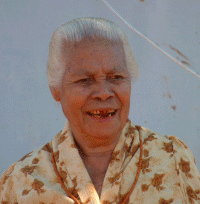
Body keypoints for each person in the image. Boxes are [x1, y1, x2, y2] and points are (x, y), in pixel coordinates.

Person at [0, 17, 200, 204]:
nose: (104, 94)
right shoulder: (21, 180)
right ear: (55, 89)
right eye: (84, 80)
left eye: (116, 77)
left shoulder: (172, 158)